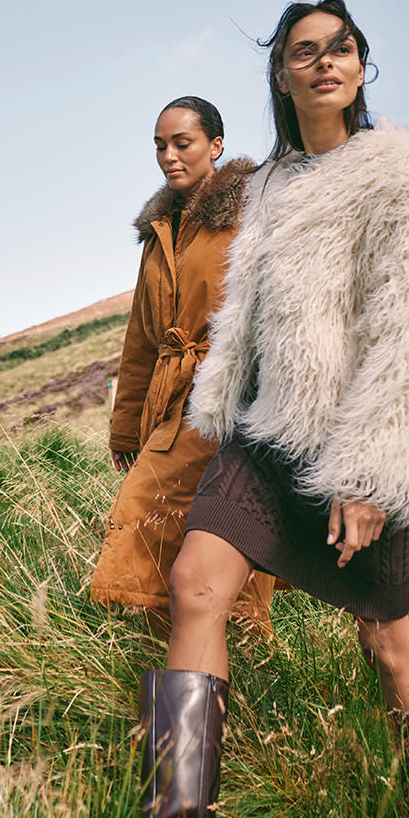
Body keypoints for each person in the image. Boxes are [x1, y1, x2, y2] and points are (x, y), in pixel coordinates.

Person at [136, 0, 409, 818]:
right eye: (305, 52)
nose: (327, 61)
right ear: (282, 74)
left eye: (343, 48)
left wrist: (370, 473)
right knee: (194, 584)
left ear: (361, 66)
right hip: (266, 436)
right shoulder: (274, 186)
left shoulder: (404, 172)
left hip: (357, 443)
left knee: (388, 643)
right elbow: (247, 321)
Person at [90, 96, 276, 632]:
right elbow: (140, 341)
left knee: (215, 550)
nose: (169, 155)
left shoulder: (248, 214)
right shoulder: (157, 236)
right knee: (157, 547)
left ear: (215, 146)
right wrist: (126, 428)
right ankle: (171, 702)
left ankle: (223, 699)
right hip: (166, 410)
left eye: (182, 142)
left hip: (231, 401)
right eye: (159, 145)